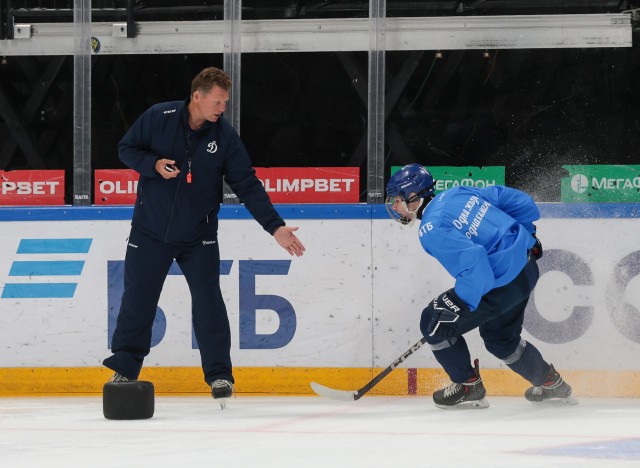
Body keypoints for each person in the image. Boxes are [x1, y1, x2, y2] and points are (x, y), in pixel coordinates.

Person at [103, 66, 305, 408]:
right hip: (149, 232)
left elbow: (247, 184)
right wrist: (153, 164)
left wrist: (275, 226)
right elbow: (127, 148)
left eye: (225, 102)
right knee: (138, 300)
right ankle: (124, 367)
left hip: (199, 236)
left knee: (209, 301)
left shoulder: (224, 137)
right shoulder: (159, 116)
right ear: (197, 97)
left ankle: (219, 375)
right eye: (217, 101)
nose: (221, 108)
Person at [385, 163, 575, 409]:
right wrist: (528, 235)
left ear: (414, 197)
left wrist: (460, 303)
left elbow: (476, 267)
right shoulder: (457, 193)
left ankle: (467, 385)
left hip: (502, 283)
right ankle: (550, 382)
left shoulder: (430, 229)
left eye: (398, 200)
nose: (396, 207)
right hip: (527, 269)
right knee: (500, 339)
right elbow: (524, 204)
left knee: (432, 322)